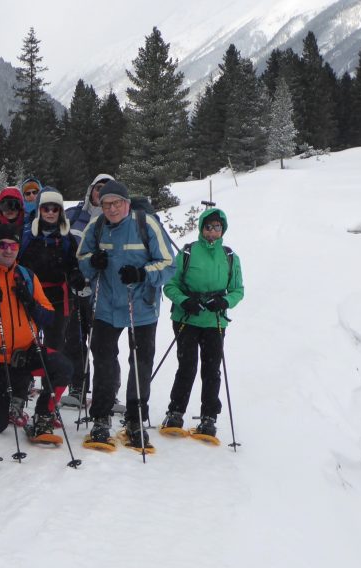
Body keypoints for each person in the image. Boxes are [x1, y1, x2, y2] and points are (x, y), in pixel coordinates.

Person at [76, 180, 176, 450]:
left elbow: (170, 264)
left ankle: (135, 418)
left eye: (116, 203)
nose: (111, 208)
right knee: (104, 360)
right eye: (106, 204)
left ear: (127, 204)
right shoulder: (96, 227)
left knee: (140, 362)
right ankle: (100, 416)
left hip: (141, 307)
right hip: (106, 306)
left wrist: (143, 273)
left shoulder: (146, 225)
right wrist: (91, 263)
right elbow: (81, 258)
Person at [0, 224, 73, 438]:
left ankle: (44, 415)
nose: (8, 250)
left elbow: (49, 316)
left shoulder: (26, 276)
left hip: (25, 354)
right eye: (2, 244)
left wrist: (31, 304)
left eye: (13, 245)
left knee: (63, 367)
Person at [160, 208, 244, 439]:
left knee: (211, 369)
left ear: (223, 230)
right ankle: (175, 412)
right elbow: (170, 284)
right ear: (201, 228)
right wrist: (184, 301)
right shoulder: (187, 252)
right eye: (209, 226)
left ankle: (209, 417)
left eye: (217, 227)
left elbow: (238, 290)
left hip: (214, 320)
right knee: (187, 366)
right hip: (187, 317)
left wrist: (224, 301)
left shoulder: (229, 256)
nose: (212, 231)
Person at [62, 174, 115, 406]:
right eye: (98, 188)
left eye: (106, 189)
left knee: (103, 343)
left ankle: (108, 390)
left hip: (102, 290)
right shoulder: (74, 214)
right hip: (73, 285)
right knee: (74, 338)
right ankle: (78, 387)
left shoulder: (116, 219)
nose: (100, 192)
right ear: (91, 190)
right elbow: (62, 245)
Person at [18, 189, 83, 354]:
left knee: (54, 343)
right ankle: (26, 378)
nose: (50, 213)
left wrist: (75, 274)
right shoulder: (26, 234)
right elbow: (16, 261)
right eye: (46, 208)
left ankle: (52, 379)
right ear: (39, 210)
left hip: (58, 297)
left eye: (55, 209)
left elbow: (73, 262)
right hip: (30, 295)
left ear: (61, 211)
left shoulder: (66, 237)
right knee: (26, 341)